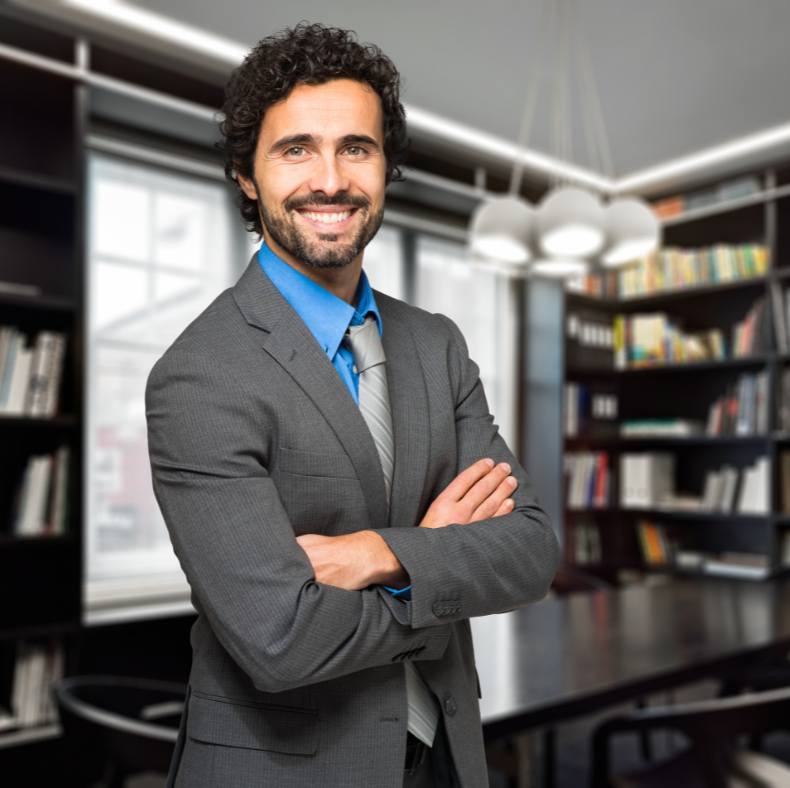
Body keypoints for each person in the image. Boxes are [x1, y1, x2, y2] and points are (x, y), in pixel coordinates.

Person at [145, 22, 560, 788]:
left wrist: (375, 554)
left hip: (445, 756)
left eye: (356, 148)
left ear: (385, 166)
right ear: (246, 173)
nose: (330, 179)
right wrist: (434, 562)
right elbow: (281, 639)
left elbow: (531, 551)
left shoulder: (436, 344)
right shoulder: (199, 376)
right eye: (296, 148)